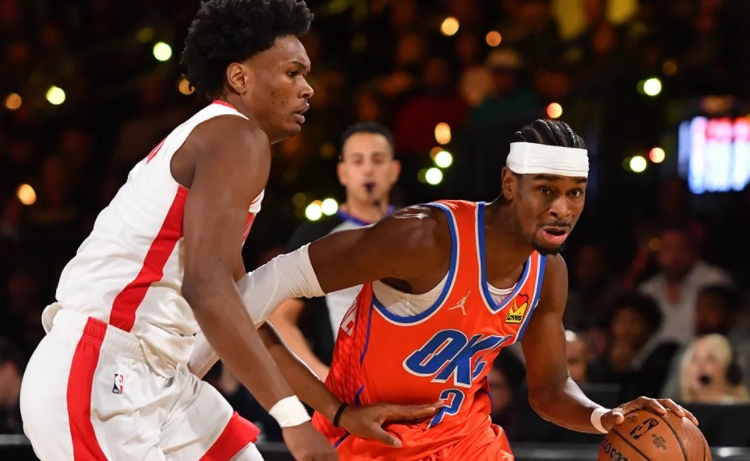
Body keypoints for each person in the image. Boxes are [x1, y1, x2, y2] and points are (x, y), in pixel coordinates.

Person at [19, 1, 438, 461]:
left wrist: (336, 412)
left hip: (157, 376)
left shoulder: (223, 140)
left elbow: (242, 313)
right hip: (100, 370)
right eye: (293, 73)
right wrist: (293, 422)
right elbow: (206, 287)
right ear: (240, 78)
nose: (308, 89)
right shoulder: (236, 136)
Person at [190, 119, 699, 460]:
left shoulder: (549, 273)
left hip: (466, 442)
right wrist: (327, 412)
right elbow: (246, 298)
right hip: (370, 440)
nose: (562, 209)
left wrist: (603, 417)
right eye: (545, 190)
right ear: (509, 183)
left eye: (575, 194)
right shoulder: (422, 238)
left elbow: (548, 389)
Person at [270, 122, 401, 380]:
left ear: (394, 170)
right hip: (345, 385)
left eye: (377, 160)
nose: (368, 169)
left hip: (410, 384)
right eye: (357, 161)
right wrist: (322, 378)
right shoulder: (316, 236)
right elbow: (279, 317)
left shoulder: (419, 230)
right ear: (343, 173)